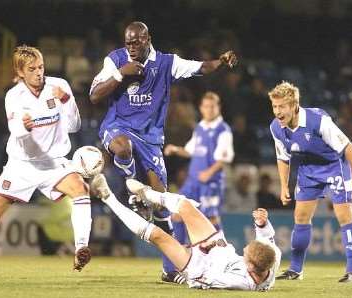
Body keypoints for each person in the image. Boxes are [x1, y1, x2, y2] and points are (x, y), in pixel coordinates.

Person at [89, 21, 237, 282]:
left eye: (137, 42)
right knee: (121, 147)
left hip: (151, 137)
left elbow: (200, 68)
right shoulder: (116, 60)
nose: (132, 48)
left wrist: (221, 62)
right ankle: (133, 188)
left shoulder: (168, 63)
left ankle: (170, 268)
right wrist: (121, 74)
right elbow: (94, 95)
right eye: (128, 43)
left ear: (148, 39)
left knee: (162, 205)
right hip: (118, 126)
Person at [0, 45, 93, 277]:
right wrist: (24, 127)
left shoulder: (59, 86)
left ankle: (81, 248)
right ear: (20, 72)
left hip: (53, 163)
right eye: (32, 69)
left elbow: (74, 126)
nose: (39, 72)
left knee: (81, 189)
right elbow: (17, 132)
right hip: (21, 165)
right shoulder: (14, 96)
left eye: (41, 67)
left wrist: (67, 99)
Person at [89, 174, 281, 291]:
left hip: (199, 266)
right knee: (186, 206)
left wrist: (197, 251)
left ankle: (106, 196)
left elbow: (206, 280)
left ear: (251, 267)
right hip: (219, 249)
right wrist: (261, 223)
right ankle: (148, 194)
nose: (245, 249)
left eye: (246, 254)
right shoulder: (272, 257)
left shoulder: (240, 283)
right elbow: (266, 239)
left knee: (158, 236)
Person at [268, 81, 352, 282]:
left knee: (344, 216)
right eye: (275, 106)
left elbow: (347, 146)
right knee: (300, 217)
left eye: (282, 107)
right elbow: (282, 158)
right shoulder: (276, 128)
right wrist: (283, 186)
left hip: (334, 167)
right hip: (308, 170)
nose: (278, 112)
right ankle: (295, 270)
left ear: (294, 106)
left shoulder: (318, 121)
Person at [164, 91, 234, 244]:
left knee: (211, 217)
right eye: (206, 106)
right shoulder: (200, 127)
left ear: (218, 108)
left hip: (211, 182)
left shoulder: (223, 130)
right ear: (201, 108)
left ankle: (223, 254)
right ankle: (182, 255)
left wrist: (209, 172)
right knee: (176, 213)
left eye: (212, 107)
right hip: (192, 182)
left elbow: (224, 158)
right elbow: (191, 151)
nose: (209, 110)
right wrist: (176, 149)